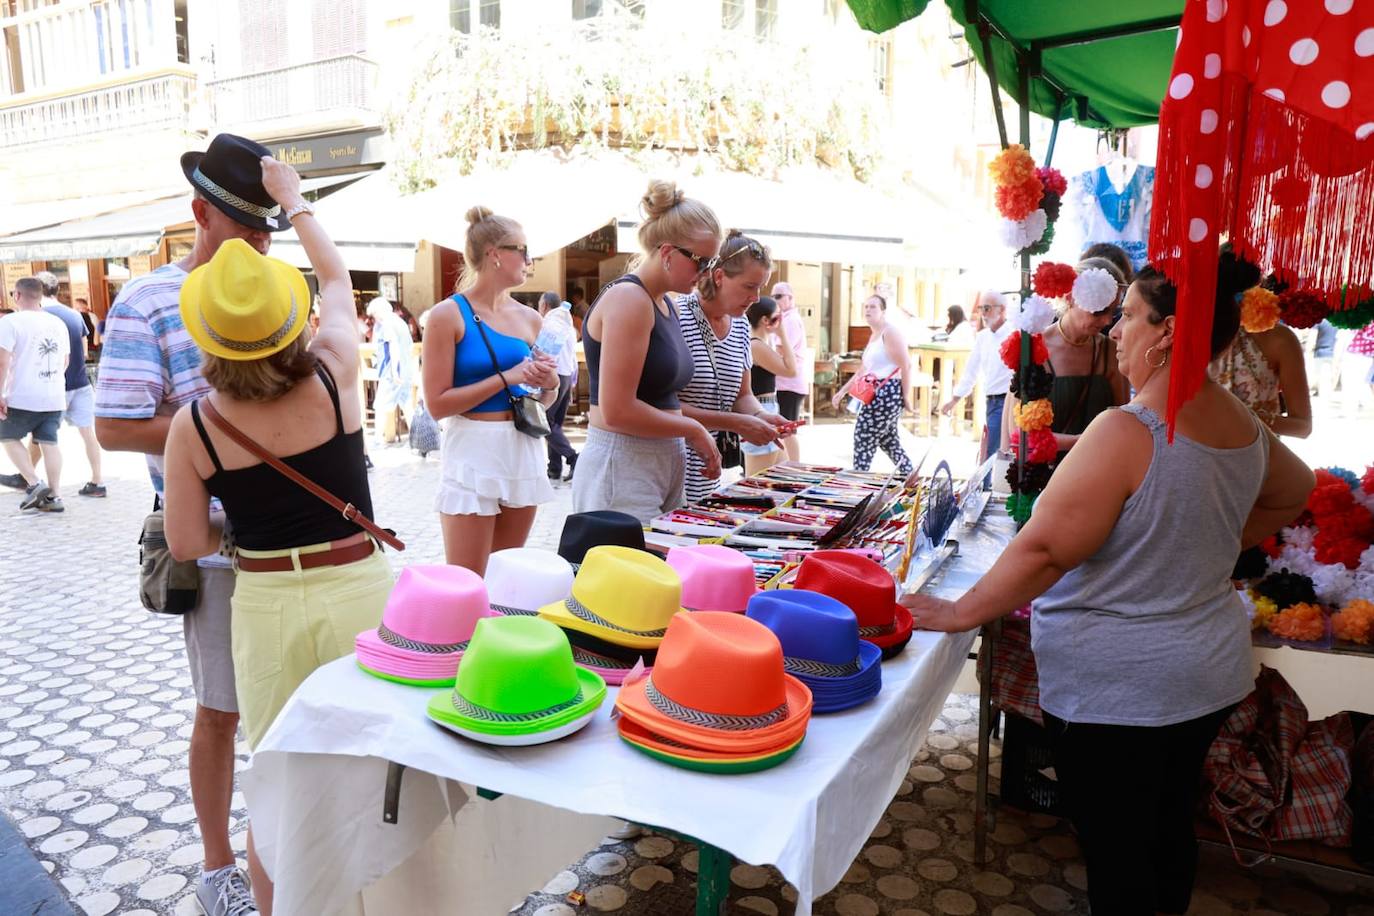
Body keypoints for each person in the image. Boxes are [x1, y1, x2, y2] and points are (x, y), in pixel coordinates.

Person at [903, 249, 1315, 915]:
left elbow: (1043, 552)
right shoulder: (1240, 421)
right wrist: (1198, 548)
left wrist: (957, 613)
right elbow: (1295, 490)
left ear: (1170, 331)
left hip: (1123, 691)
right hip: (1205, 675)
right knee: (1166, 830)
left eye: (1129, 316)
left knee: (1119, 851)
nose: (1116, 330)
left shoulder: (1127, 429)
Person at [162, 155, 391, 916]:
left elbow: (189, 543)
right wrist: (293, 203)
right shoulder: (333, 366)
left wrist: (250, 513)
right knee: (377, 759)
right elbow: (334, 277)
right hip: (358, 584)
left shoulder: (195, 425)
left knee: (280, 780)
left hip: (264, 601)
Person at [95, 133, 277, 916]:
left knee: (285, 706)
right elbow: (112, 425)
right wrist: (213, 430)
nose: (262, 241)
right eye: (246, 224)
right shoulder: (145, 300)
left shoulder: (279, 289)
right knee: (222, 708)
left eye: (268, 225)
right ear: (201, 212)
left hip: (288, 530)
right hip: (211, 540)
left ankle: (280, 855)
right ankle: (216, 868)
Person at [573, 180, 722, 522]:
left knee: (657, 572)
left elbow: (660, 399)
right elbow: (617, 409)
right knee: (631, 573)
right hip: (623, 462)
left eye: (711, 265)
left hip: (655, 460)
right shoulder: (630, 299)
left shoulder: (665, 302)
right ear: (668, 253)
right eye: (701, 262)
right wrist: (693, 429)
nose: (705, 275)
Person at [421, 207, 559, 575]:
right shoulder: (446, 315)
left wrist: (550, 385)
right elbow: (436, 405)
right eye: (523, 250)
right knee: (468, 579)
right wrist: (506, 377)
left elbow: (542, 398)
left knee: (505, 575)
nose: (530, 260)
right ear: (495, 254)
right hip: (472, 448)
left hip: (521, 445)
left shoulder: (530, 318)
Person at [675, 232, 790, 502]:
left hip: (708, 468)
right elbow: (661, 405)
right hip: (670, 463)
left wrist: (762, 416)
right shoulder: (677, 315)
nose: (755, 297)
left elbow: (742, 395)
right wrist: (738, 423)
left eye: (760, 287)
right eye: (749, 286)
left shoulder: (740, 325)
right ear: (719, 277)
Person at [1031, 256, 1131, 455]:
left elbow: (1123, 417)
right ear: (1070, 297)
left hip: (1101, 470)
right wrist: (1082, 442)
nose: (1106, 321)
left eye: (1114, 312)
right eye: (1099, 311)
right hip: (1046, 476)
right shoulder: (1035, 348)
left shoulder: (1110, 350)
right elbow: (1023, 435)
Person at [29, 272, 105, 497]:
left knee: (43, 435)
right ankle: (98, 481)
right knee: (87, 433)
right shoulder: (74, 315)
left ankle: (29, 478)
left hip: (53, 385)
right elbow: (82, 351)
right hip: (80, 383)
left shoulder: (38, 317)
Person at [0, 276, 69, 512]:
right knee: (49, 442)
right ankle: (55, 496)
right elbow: (65, 361)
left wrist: (0, 392)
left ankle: (34, 483)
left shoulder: (11, 322)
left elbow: (2, 361)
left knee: (6, 435)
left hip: (23, 394)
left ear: (17, 296)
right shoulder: (57, 323)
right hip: (53, 394)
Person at [831, 294, 913, 475]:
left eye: (873, 307)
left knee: (864, 438)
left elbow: (906, 365)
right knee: (889, 441)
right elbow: (863, 369)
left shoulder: (890, 332)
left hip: (887, 392)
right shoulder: (874, 335)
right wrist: (843, 391)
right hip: (874, 392)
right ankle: (911, 477)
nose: (868, 310)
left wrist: (906, 397)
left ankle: (859, 482)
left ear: (883, 311)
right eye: (866, 306)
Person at [941, 290, 1012, 489]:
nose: (983, 313)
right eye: (981, 308)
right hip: (992, 400)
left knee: (993, 450)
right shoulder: (982, 337)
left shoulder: (1015, 332)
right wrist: (955, 399)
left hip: (1009, 399)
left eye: (987, 308)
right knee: (990, 448)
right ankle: (988, 489)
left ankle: (987, 490)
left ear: (1002, 310)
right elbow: (971, 370)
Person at [1213, 319, 1312, 438]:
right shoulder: (1189, 333)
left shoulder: (1278, 339)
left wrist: (1246, 418)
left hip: (1258, 452)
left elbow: (1303, 427)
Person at [745, 295, 798, 475]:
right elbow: (791, 370)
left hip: (767, 408)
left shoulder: (762, 344)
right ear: (765, 320)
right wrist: (782, 333)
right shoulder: (756, 345)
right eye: (778, 318)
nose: (780, 322)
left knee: (780, 477)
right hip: (761, 409)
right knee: (755, 483)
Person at [538, 290, 580, 481]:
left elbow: (543, 354)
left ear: (545, 306)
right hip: (567, 376)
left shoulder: (547, 324)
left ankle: (573, 457)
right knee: (556, 424)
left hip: (553, 377)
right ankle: (554, 468)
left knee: (545, 422)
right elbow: (571, 357)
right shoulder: (569, 327)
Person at [365, 297, 417, 446]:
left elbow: (393, 346)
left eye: (374, 315)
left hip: (392, 371)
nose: (375, 319)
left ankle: (377, 439)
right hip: (406, 368)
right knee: (406, 404)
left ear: (380, 311)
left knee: (381, 404)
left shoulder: (387, 323)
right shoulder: (400, 321)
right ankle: (415, 437)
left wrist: (394, 371)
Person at [770, 281, 808, 462]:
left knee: (788, 429)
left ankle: (794, 467)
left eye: (778, 296)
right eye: (773, 296)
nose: (774, 300)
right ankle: (790, 466)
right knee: (786, 429)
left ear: (790, 298)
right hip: (787, 383)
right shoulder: (785, 318)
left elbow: (782, 350)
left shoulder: (790, 320)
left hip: (789, 384)